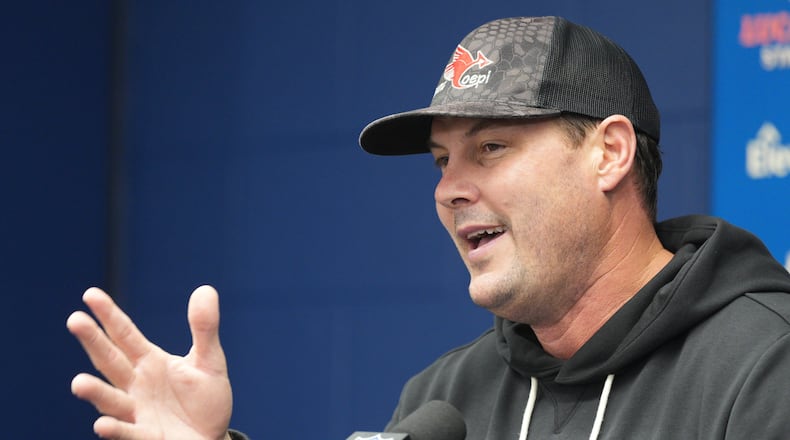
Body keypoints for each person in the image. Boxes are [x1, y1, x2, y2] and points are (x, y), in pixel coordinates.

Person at [69, 16, 790, 439]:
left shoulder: (762, 367)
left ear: (609, 153)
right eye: (442, 161)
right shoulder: (442, 401)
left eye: (490, 148)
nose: (449, 189)